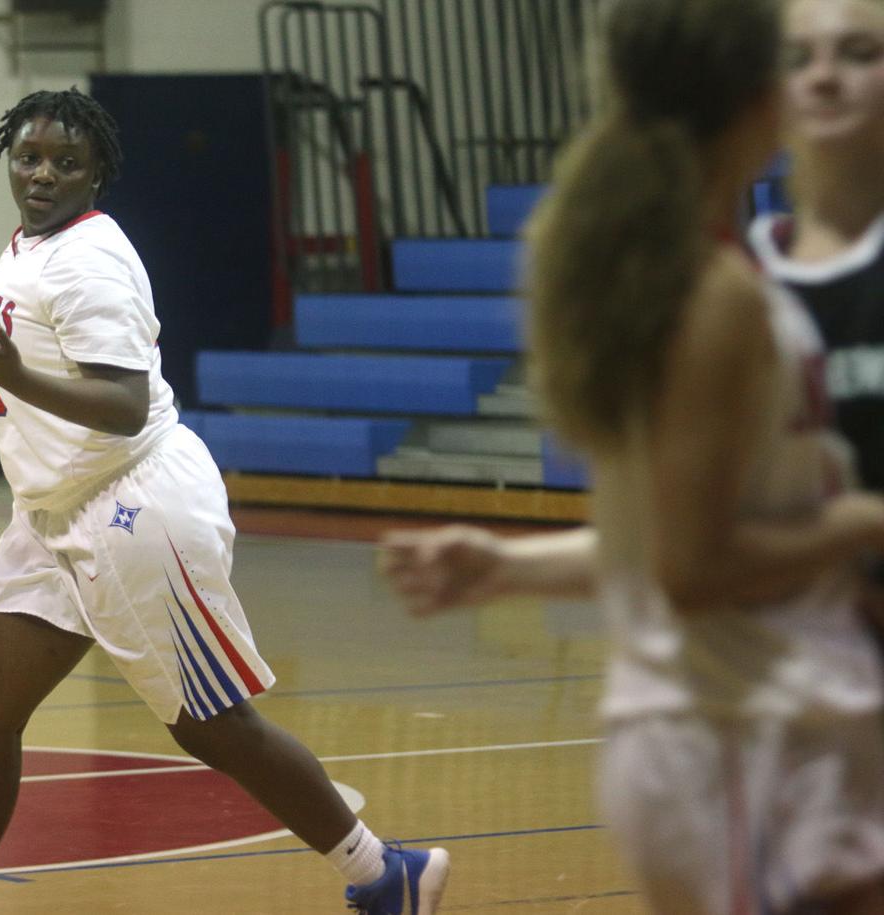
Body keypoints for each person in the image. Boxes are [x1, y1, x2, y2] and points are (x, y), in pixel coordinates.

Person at [0, 87, 448, 915]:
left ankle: (383, 874)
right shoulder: (25, 250)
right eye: (28, 156)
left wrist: (10, 373)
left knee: (210, 724)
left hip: (132, 506)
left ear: (98, 175)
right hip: (53, 513)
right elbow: (8, 390)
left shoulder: (92, 262)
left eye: (65, 161)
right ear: (6, 160)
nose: (42, 173)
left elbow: (120, 405)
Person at [384, 0, 884, 911]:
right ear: (760, 99)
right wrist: (862, 520)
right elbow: (691, 566)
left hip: (761, 732)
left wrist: (507, 564)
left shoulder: (695, 272)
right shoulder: (714, 294)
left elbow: (664, 538)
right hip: (736, 735)